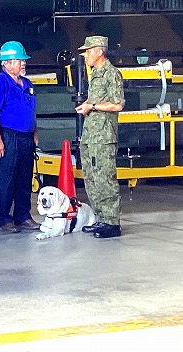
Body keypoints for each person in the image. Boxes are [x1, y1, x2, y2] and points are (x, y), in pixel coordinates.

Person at [0, 41, 40, 233]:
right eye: (19, 60)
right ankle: (4, 219)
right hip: (8, 138)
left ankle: (23, 216)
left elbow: (31, 111)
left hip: (26, 139)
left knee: (24, 180)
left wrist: (34, 133)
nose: (23, 64)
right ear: (6, 64)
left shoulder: (27, 84)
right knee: (6, 180)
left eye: (23, 60)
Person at [75, 35, 125, 238]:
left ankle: (112, 223)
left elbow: (118, 104)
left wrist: (92, 106)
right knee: (92, 177)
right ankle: (101, 218)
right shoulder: (95, 74)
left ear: (98, 51)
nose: (85, 54)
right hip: (91, 135)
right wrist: (87, 105)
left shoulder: (111, 74)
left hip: (103, 137)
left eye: (88, 51)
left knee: (104, 178)